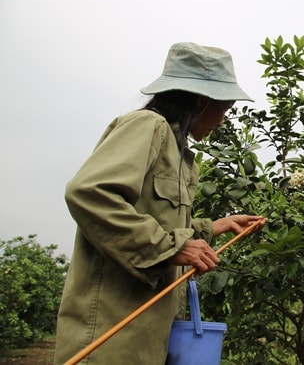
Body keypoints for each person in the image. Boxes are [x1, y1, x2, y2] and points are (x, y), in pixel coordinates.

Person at [53, 43, 266, 365]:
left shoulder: (182, 157)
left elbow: (158, 224)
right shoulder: (147, 126)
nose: (222, 120)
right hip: (110, 336)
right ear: (201, 100)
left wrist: (211, 228)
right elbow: (89, 192)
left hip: (147, 336)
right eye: (225, 108)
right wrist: (168, 247)